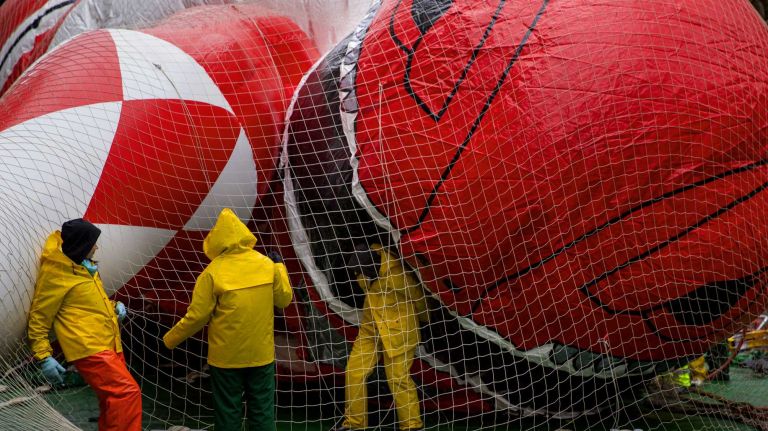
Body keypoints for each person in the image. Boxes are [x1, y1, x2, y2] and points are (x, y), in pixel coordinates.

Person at [163, 208, 292, 431]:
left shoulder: (212, 273)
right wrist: (280, 267)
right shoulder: (267, 264)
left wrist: (169, 340)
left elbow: (196, 317)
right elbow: (284, 300)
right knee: (262, 411)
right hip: (261, 355)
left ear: (216, 240)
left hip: (226, 358)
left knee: (227, 413)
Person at [27, 218, 142, 431]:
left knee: (111, 400)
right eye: (93, 243)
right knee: (127, 393)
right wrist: (44, 356)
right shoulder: (57, 274)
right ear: (82, 244)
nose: (97, 247)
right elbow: (39, 317)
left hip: (108, 342)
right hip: (89, 347)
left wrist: (115, 305)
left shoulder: (85, 268)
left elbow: (87, 304)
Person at [339, 242, 428, 431]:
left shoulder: (399, 276)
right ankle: (354, 424)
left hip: (399, 331)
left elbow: (420, 301)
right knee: (353, 372)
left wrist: (427, 321)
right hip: (371, 329)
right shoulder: (362, 268)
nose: (358, 277)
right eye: (356, 273)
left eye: (360, 273)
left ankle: (412, 425)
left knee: (398, 378)